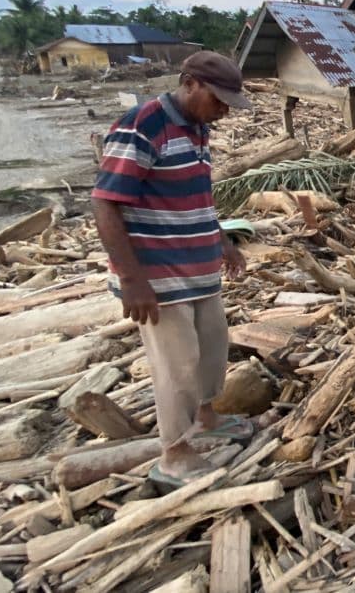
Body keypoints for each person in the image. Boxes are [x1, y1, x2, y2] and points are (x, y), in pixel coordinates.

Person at [91, 51, 253, 486]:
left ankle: (207, 418)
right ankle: (174, 455)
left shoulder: (197, 129)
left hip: (198, 268)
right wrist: (131, 279)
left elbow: (198, 195)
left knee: (212, 349)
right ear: (189, 84)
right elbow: (105, 202)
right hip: (158, 275)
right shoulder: (142, 124)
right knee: (177, 365)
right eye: (217, 100)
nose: (222, 111)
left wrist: (223, 242)